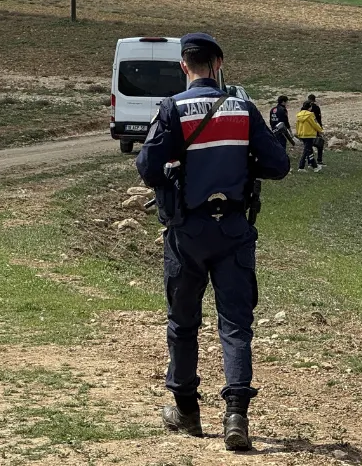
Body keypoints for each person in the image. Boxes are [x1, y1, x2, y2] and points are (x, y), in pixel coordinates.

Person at [136, 33, 289, 452]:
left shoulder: (173, 108)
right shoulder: (243, 107)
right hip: (235, 231)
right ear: (219, 63)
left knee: (183, 323)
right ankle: (236, 413)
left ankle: (186, 409)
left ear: (184, 66)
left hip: (187, 231)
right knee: (236, 325)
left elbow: (147, 168)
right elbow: (279, 165)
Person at [295, 102, 324, 173]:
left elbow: (297, 125)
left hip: (302, 134)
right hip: (309, 134)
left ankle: (313, 165)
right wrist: (320, 130)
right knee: (306, 151)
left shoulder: (299, 115)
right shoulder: (310, 115)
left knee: (309, 150)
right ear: (309, 107)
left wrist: (298, 133)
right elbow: (314, 124)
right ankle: (302, 167)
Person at [308, 94, 325, 166]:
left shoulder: (303, 108)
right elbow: (318, 119)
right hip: (315, 128)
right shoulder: (316, 108)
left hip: (307, 129)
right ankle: (319, 160)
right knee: (320, 144)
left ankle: (310, 161)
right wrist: (320, 129)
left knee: (309, 146)